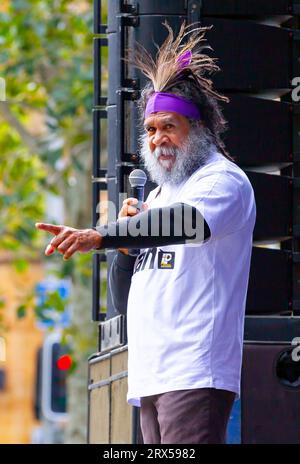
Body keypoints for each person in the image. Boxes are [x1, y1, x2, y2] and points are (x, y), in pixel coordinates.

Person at [36, 22, 256, 444]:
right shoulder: (155, 198)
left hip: (194, 369)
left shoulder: (220, 182)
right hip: (152, 374)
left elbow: (188, 223)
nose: (157, 139)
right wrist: (122, 247)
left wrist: (104, 235)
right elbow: (123, 301)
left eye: (169, 126)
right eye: (151, 129)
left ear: (200, 130)